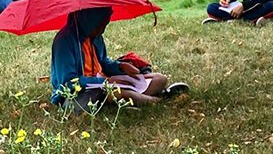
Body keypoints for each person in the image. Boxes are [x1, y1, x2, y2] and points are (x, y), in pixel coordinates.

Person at [50, 7, 188, 111]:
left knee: (159, 79)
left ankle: (135, 99)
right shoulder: (65, 41)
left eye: (104, 25)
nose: (102, 30)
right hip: (77, 95)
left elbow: (103, 62)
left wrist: (120, 67)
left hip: (105, 82)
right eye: (99, 26)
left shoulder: (95, 36)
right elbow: (67, 83)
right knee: (116, 93)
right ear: (88, 22)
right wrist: (104, 82)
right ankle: (157, 100)